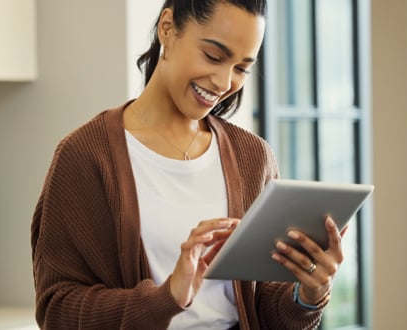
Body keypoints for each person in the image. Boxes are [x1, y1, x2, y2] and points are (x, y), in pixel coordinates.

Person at [31, 0, 347, 329]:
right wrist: (167, 297)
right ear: (167, 27)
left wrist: (309, 293)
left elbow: (261, 308)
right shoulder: (85, 156)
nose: (225, 83)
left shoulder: (253, 157)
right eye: (214, 56)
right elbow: (57, 309)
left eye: (241, 68)